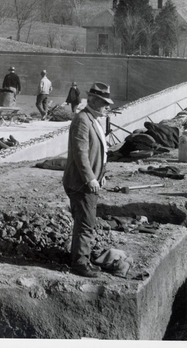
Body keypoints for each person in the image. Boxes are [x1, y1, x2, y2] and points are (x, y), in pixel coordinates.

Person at [62, 82, 113, 278]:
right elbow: (80, 154)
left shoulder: (93, 119)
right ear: (93, 101)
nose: (107, 106)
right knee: (85, 223)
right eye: (104, 102)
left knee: (85, 222)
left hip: (88, 181)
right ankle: (80, 263)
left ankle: (80, 257)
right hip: (81, 183)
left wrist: (101, 175)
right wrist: (91, 179)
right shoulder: (83, 120)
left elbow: (97, 152)